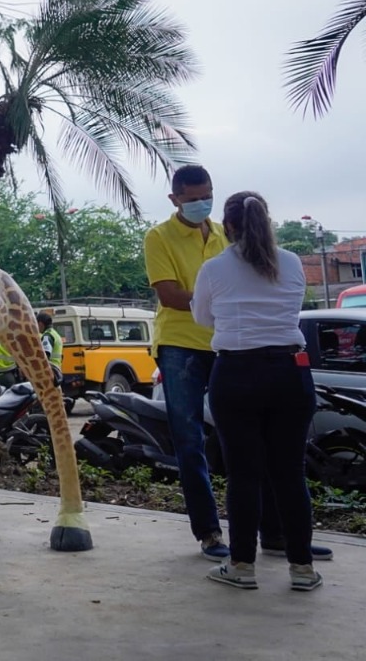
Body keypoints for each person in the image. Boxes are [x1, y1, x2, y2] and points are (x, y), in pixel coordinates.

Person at [192, 192, 325, 591]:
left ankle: (242, 567)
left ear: (227, 227)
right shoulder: (292, 262)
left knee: (244, 474)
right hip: (290, 372)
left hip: (236, 373)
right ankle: (302, 568)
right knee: (290, 473)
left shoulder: (214, 268)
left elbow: (202, 318)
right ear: (267, 222)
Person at [144, 163, 229, 560]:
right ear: (174, 199)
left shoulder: (226, 235)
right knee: (190, 440)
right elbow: (170, 296)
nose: (201, 204)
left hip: (227, 344)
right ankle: (209, 532)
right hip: (179, 347)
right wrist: (225, 301)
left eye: (206, 196)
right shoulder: (159, 237)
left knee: (245, 438)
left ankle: (276, 531)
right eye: (192, 199)